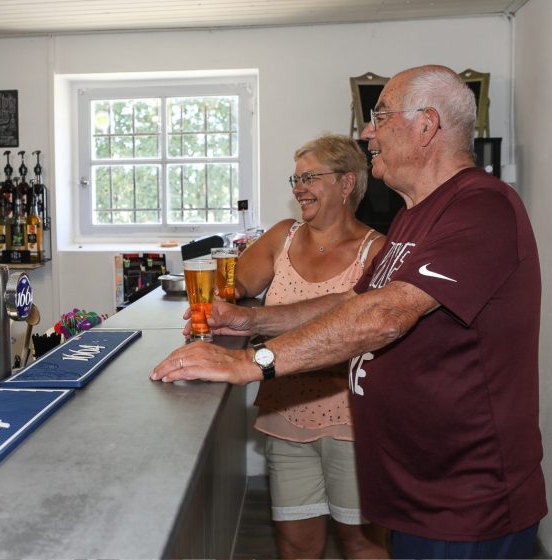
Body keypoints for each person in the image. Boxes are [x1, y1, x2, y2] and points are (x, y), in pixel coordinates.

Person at [152, 64, 547, 558]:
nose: (366, 132)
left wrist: (251, 362)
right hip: (416, 485)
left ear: (426, 126)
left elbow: (384, 315)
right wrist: (248, 321)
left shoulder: (481, 206)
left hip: (465, 498)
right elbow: (351, 302)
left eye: (380, 117)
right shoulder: (414, 215)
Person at [234, 133, 386, 559]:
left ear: (346, 183)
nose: (298, 187)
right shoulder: (283, 236)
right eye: (295, 178)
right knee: (295, 546)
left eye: (309, 177)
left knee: (363, 545)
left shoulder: (378, 251)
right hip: (285, 418)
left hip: (353, 425)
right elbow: (237, 283)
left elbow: (373, 334)